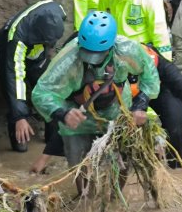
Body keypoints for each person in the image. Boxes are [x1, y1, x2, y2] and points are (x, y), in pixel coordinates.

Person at [31, 11, 160, 193]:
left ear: (111, 46)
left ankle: (114, 199)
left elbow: (150, 76)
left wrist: (140, 105)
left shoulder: (127, 50)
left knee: (122, 160)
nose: (92, 59)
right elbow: (41, 93)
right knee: (79, 164)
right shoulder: (68, 60)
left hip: (116, 110)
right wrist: (62, 113)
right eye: (87, 53)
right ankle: (85, 200)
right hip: (77, 115)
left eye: (98, 54)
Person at [0, 0, 66, 154]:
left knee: (48, 89)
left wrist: (46, 48)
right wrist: (20, 116)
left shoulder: (57, 11)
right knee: (15, 92)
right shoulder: (16, 39)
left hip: (36, 52)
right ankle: (19, 135)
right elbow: (15, 78)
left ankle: (52, 138)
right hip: (7, 53)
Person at [143, 44, 182, 168]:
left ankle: (176, 166)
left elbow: (168, 69)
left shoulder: (133, 51)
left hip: (157, 85)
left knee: (177, 120)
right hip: (124, 94)